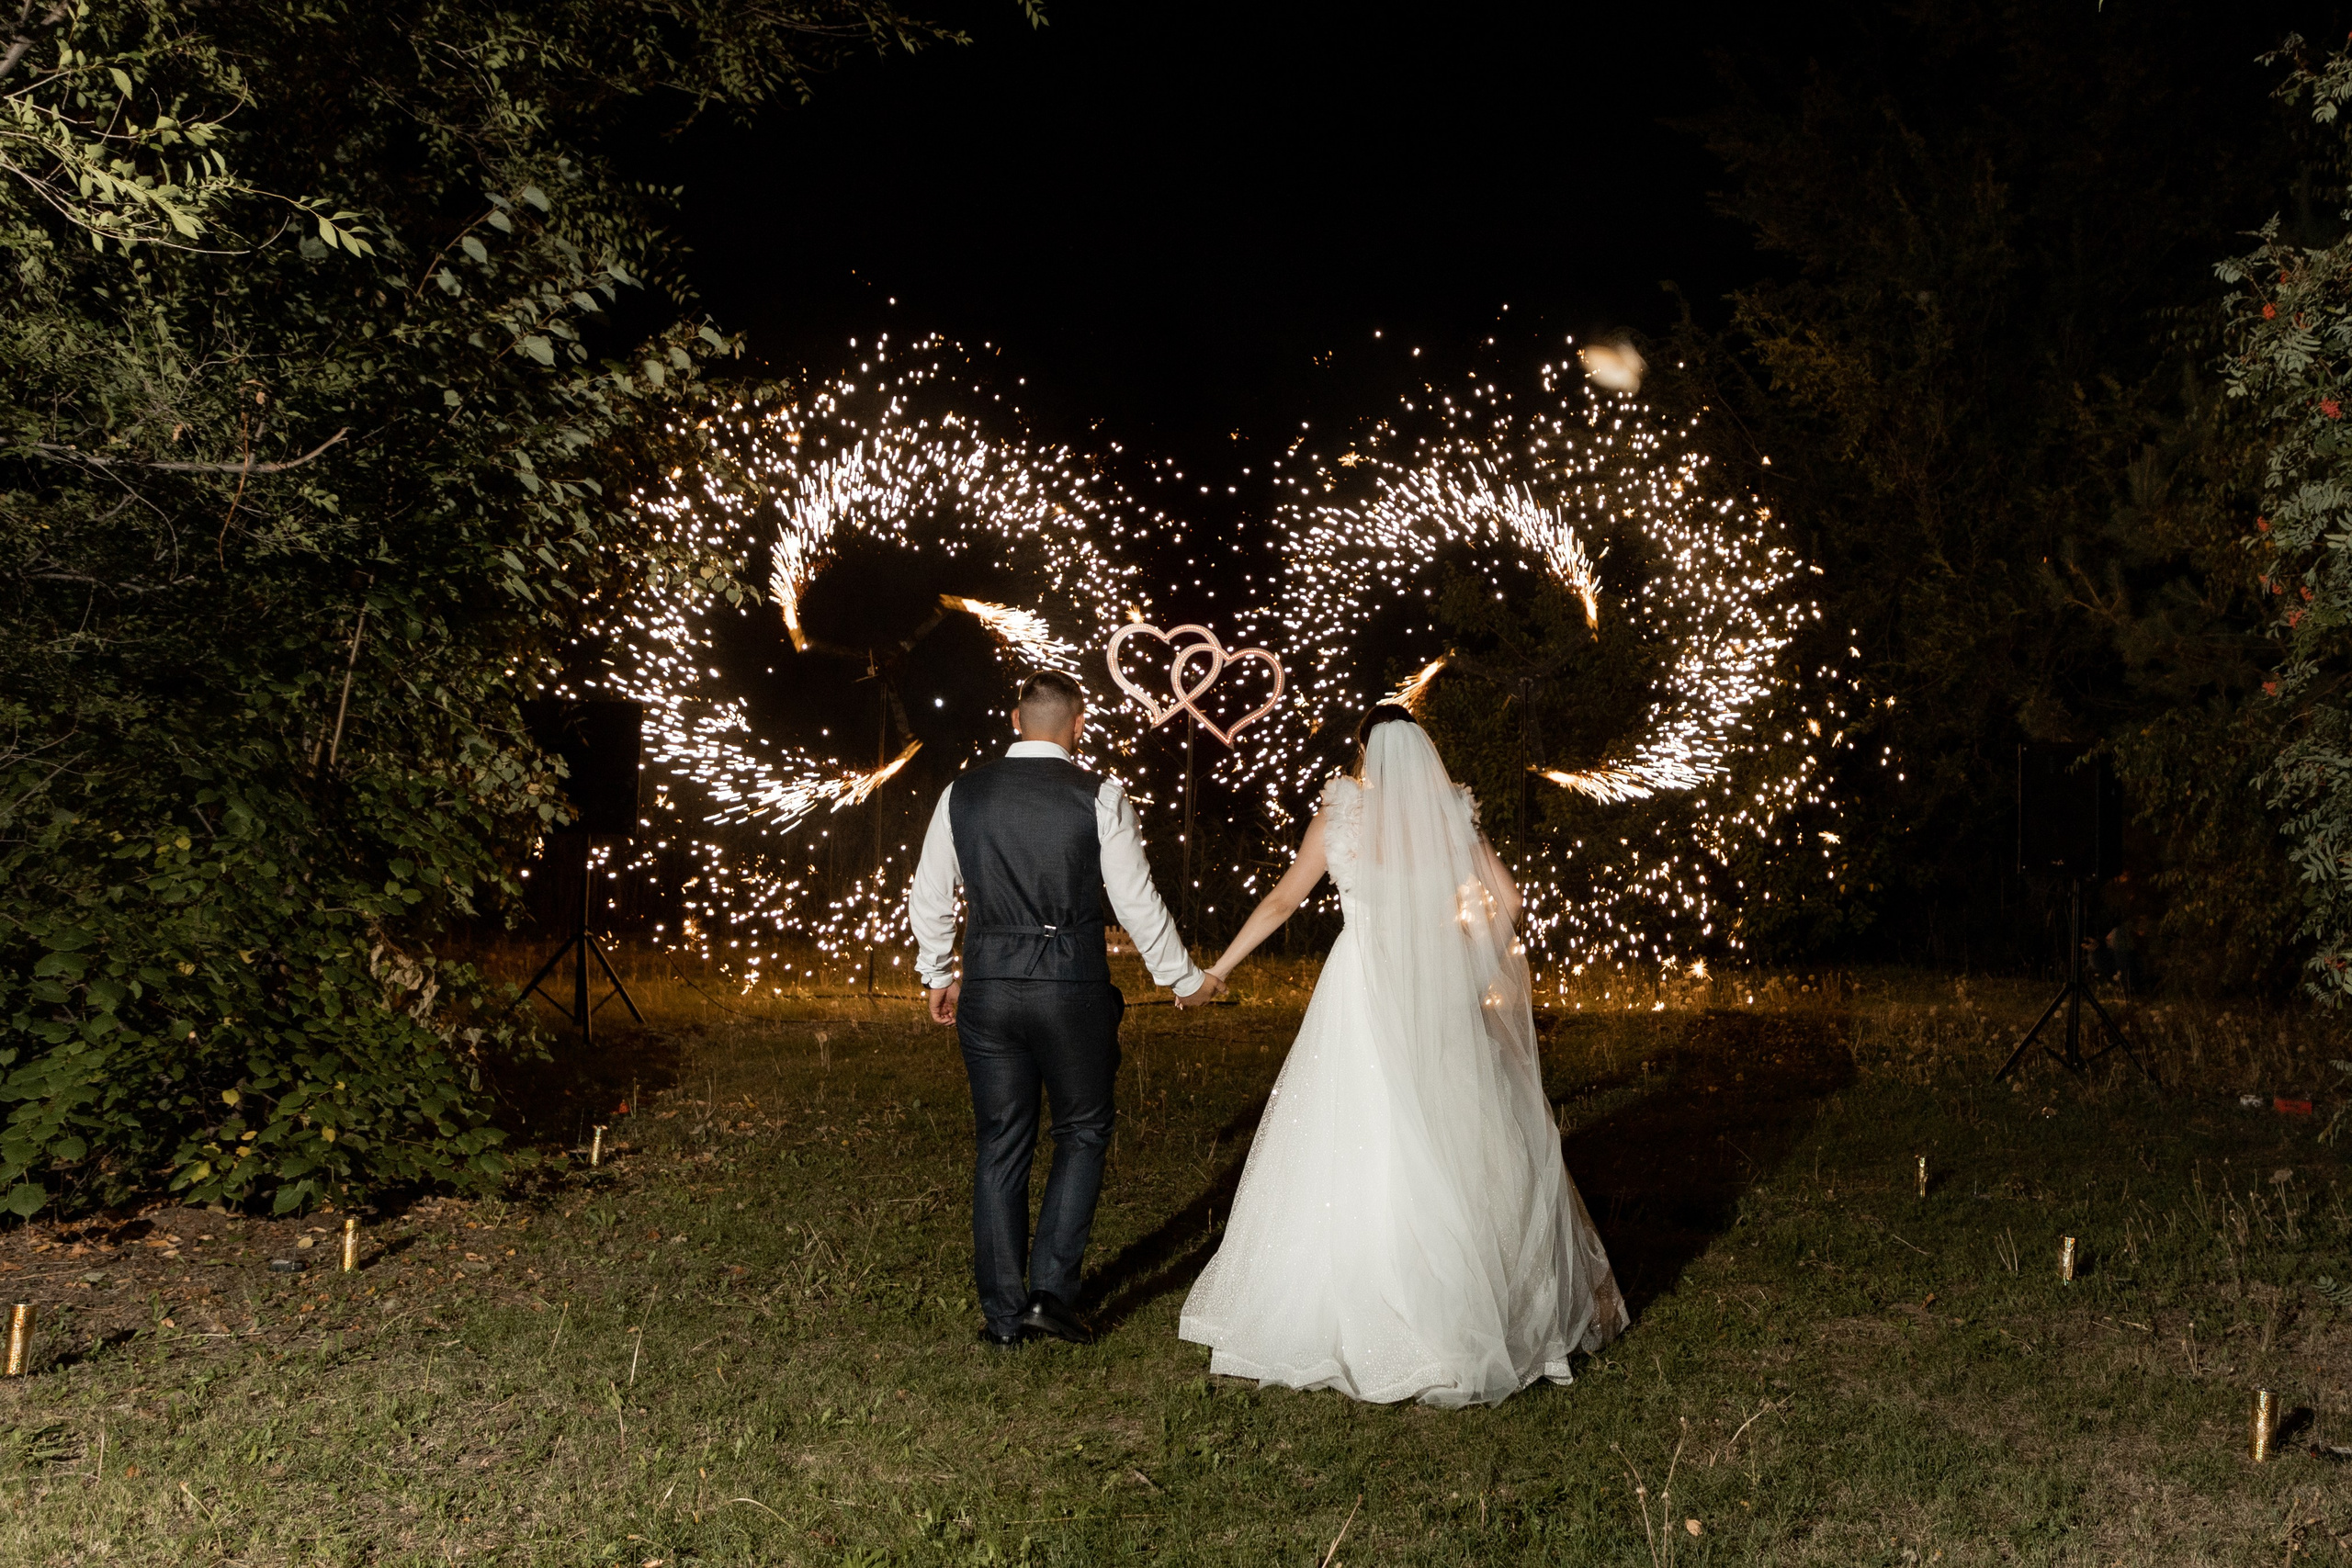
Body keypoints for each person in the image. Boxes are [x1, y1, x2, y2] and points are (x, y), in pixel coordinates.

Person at [1177, 703, 1626, 1405]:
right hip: (1438, 986)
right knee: (1455, 1127)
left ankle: (1363, 1303)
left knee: (1358, 1127)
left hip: (1364, 986)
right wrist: (1470, 964)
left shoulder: (1341, 818)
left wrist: (1219, 970)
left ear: (1364, 753)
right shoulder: (1451, 815)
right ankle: (1472, 1306)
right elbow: (1507, 900)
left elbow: (1281, 902)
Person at [910, 670, 1227, 1349]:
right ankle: (1051, 1293)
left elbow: (930, 892)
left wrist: (938, 970)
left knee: (1000, 1141)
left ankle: (1002, 1317)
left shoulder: (961, 793)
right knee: (1081, 1129)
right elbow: (1136, 901)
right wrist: (1182, 977)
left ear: (1016, 720)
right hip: (1070, 987)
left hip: (989, 984)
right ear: (1077, 724)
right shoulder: (1100, 796)